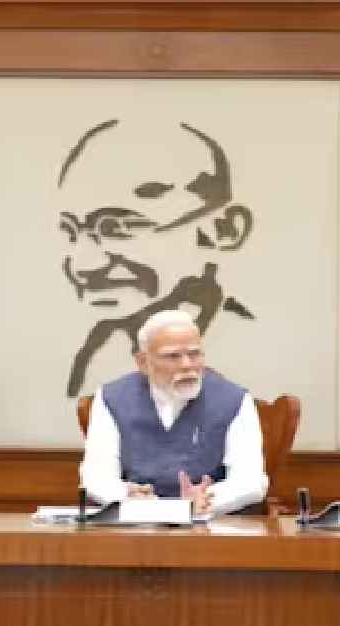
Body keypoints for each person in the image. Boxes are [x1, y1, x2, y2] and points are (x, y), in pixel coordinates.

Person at [57, 120, 256, 396]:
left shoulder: (253, 342)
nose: (83, 266)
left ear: (224, 229)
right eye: (70, 231)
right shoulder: (95, 352)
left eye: (118, 228)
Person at [79, 309, 267, 515]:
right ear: (143, 362)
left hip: (211, 523)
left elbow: (250, 481)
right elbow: (96, 477)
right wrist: (126, 497)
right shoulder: (112, 398)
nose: (187, 365)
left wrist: (206, 501)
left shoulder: (235, 399)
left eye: (194, 354)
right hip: (136, 522)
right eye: (172, 356)